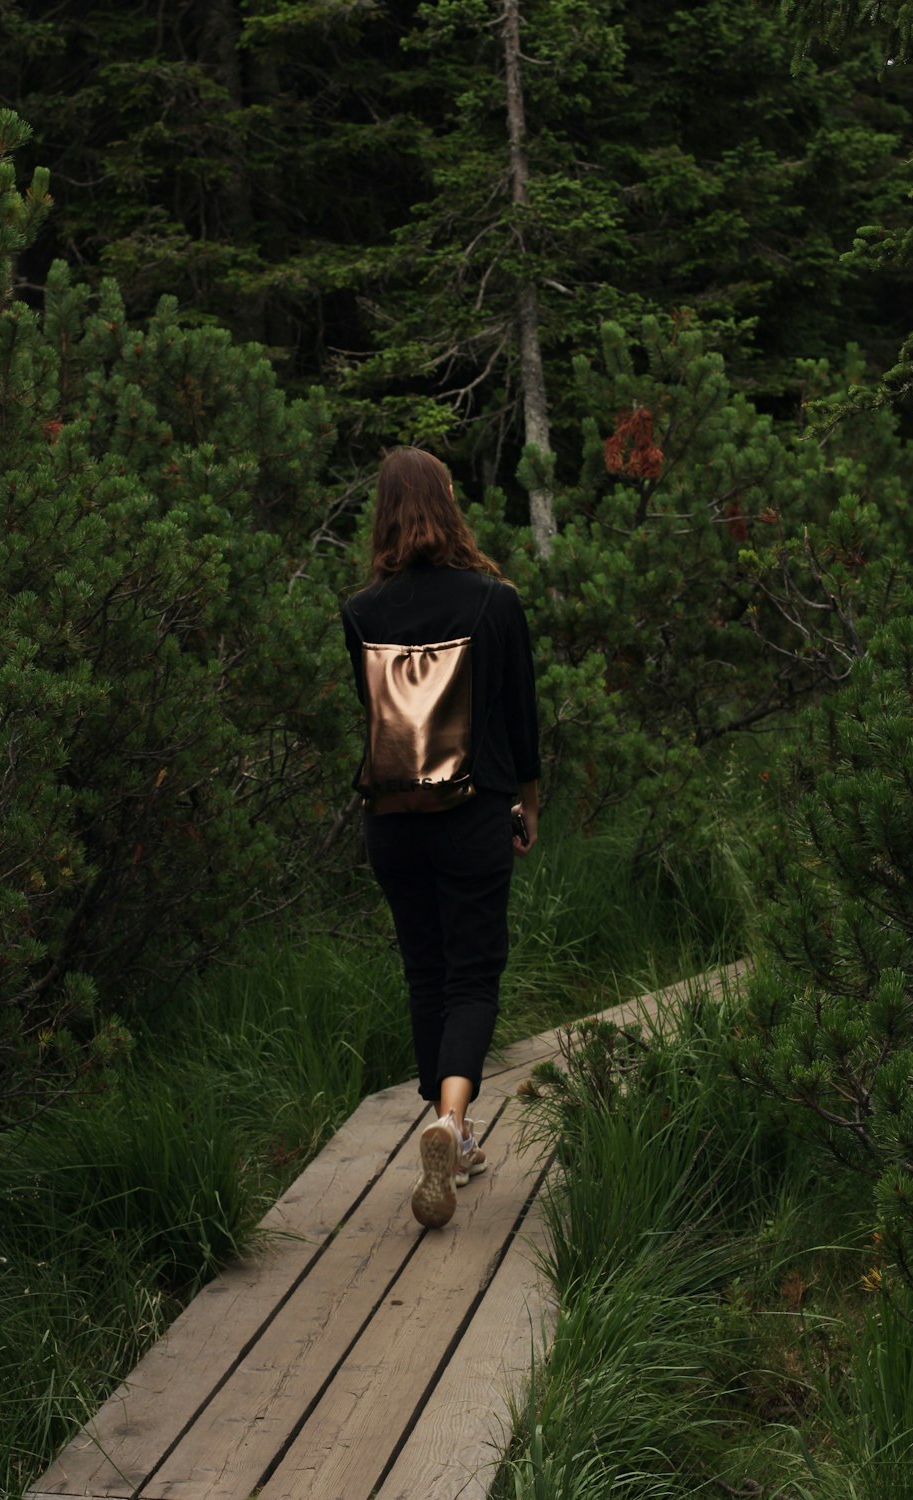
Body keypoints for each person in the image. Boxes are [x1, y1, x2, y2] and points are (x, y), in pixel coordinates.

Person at [342, 446, 540, 1230]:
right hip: (472, 814)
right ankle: (454, 1125)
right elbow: (520, 722)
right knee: (474, 975)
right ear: (451, 503)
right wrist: (527, 804)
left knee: (426, 973)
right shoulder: (496, 601)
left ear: (384, 513)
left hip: (392, 821)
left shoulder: (360, 612)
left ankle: (441, 1117)